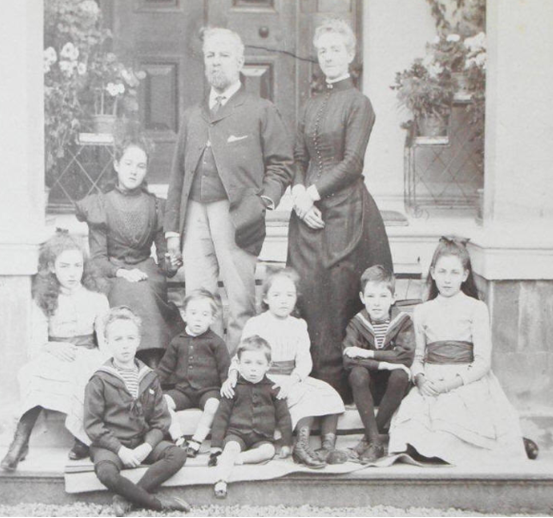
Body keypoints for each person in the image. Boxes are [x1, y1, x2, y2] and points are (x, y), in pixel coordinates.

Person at [165, 27, 294, 353]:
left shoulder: (259, 110)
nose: (216, 62)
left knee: (239, 301)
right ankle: (208, 370)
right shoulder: (193, 115)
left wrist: (262, 202)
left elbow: (282, 164)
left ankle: (241, 371)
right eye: (210, 56)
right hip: (194, 213)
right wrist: (171, 230)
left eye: (224, 55)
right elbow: (178, 175)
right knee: (199, 300)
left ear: (240, 61)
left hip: (236, 214)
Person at [287, 18, 392, 401]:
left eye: (336, 50)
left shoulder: (359, 104)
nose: (329, 57)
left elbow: (352, 164)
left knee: (335, 295)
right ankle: (309, 391)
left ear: (350, 55)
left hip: (347, 213)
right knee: (308, 292)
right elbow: (298, 156)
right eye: (323, 51)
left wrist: (311, 193)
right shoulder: (310, 105)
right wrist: (299, 194)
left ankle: (338, 395)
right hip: (308, 216)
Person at [388, 237, 532, 465]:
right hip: (432, 381)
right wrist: (420, 379)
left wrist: (451, 384)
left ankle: (503, 442)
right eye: (442, 272)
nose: (447, 279)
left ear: (465, 275)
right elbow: (417, 357)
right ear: (433, 272)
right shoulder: (424, 310)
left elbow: (483, 363)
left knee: (451, 419)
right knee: (410, 427)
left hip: (465, 381)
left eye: (454, 273)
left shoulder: (476, 308)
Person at [0, 232, 110, 471]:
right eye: (65, 266)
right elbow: (37, 339)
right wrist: (53, 346)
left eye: (77, 265)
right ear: (51, 267)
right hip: (54, 351)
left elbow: (104, 339)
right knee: (34, 375)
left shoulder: (97, 298)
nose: (72, 272)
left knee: (90, 376)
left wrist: (106, 361)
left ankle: (83, 438)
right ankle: (20, 442)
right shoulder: (43, 298)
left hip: (87, 352)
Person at [76, 133, 182, 367]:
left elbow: (164, 261)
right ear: (116, 165)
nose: (134, 171)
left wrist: (171, 263)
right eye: (128, 164)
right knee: (129, 289)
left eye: (140, 166)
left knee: (145, 287)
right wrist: (122, 272)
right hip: (112, 272)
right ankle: (126, 366)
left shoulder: (154, 205)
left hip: (146, 270)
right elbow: (97, 260)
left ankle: (153, 367)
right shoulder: (100, 205)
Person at [221, 268, 345, 468]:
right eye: (277, 295)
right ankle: (302, 445)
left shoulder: (298, 325)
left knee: (327, 393)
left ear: (296, 298)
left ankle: (327, 447)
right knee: (302, 398)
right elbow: (240, 356)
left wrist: (293, 379)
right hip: (263, 379)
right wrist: (232, 376)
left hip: (290, 378)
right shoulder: (257, 323)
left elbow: (305, 361)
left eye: (289, 295)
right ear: (266, 299)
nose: (283, 300)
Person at [84, 306, 190, 516]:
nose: (125, 345)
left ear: (139, 341)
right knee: (106, 472)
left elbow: (161, 420)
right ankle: (158, 504)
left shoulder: (149, 376)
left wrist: (147, 446)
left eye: (130, 338)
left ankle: (125, 498)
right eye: (118, 339)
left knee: (176, 454)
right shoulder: (99, 380)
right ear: (107, 343)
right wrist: (120, 450)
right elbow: (93, 425)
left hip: (142, 440)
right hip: (111, 445)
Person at [342, 265, 415, 463]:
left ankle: (369, 440)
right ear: (362, 297)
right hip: (367, 388)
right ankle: (376, 441)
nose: (376, 303)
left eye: (383, 296)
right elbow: (349, 358)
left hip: (394, 389)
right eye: (371, 296)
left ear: (393, 298)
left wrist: (368, 353)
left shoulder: (403, 321)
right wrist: (384, 364)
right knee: (357, 374)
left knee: (400, 373)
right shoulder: (357, 323)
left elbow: (405, 356)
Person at [209, 336, 292, 499]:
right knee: (231, 447)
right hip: (237, 434)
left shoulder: (274, 389)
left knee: (268, 451)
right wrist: (215, 445)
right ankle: (221, 481)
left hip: (261, 437)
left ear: (268, 365)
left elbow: (284, 418)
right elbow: (221, 417)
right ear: (238, 364)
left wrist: (286, 443)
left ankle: (234, 460)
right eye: (247, 363)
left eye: (259, 363)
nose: (253, 369)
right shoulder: (233, 387)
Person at [157, 289, 231, 457]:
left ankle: (197, 440)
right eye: (193, 313)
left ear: (212, 318)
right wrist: (152, 385)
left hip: (208, 390)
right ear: (184, 315)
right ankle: (179, 440)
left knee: (213, 405)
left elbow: (224, 369)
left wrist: (226, 384)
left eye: (205, 314)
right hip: (183, 390)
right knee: (164, 402)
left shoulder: (216, 343)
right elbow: (164, 368)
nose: (198, 318)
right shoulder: (177, 342)